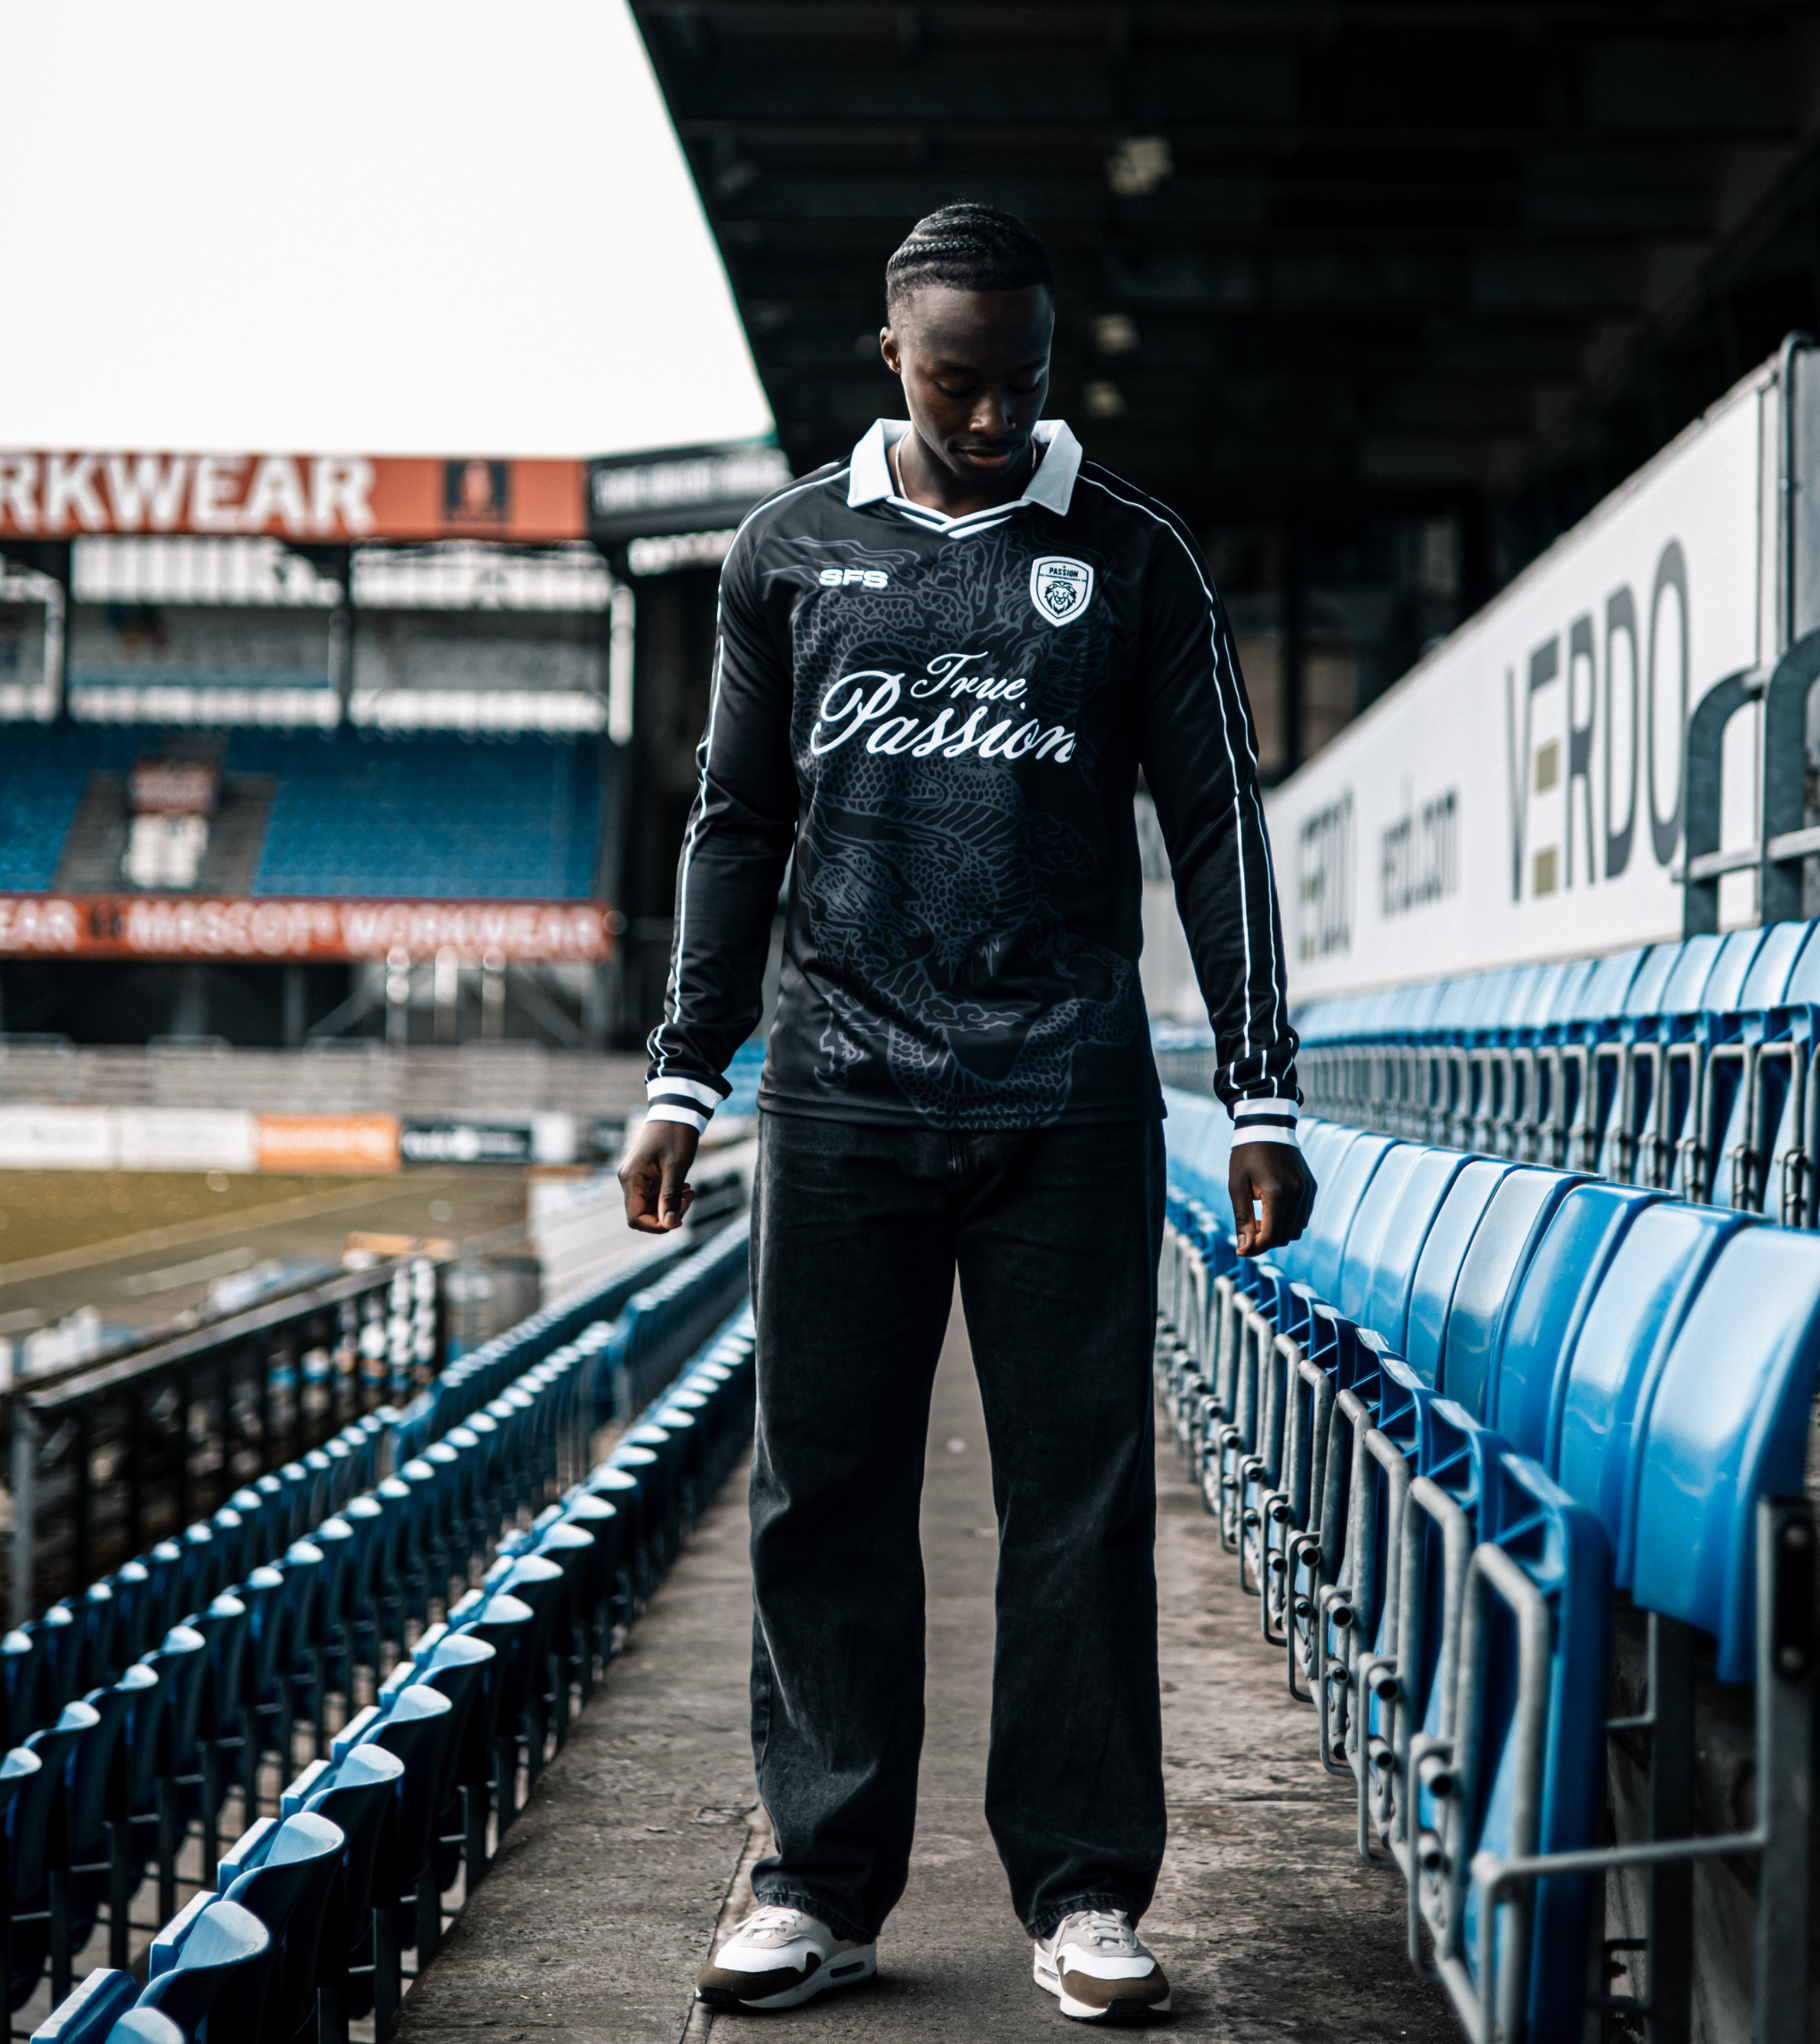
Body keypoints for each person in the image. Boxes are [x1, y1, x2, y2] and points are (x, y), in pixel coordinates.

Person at [619, 203, 1313, 2023]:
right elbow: (736, 825)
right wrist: (685, 1077)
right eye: (957, 381)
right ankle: (819, 1887)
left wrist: (1262, 1096)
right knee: (820, 1493)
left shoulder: (1135, 554)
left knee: (1073, 1503)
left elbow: (1216, 827)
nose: (996, 419)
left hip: (1064, 1099)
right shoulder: (783, 553)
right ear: (891, 358)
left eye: (1022, 381)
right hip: (838, 1094)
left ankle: (1084, 1895)